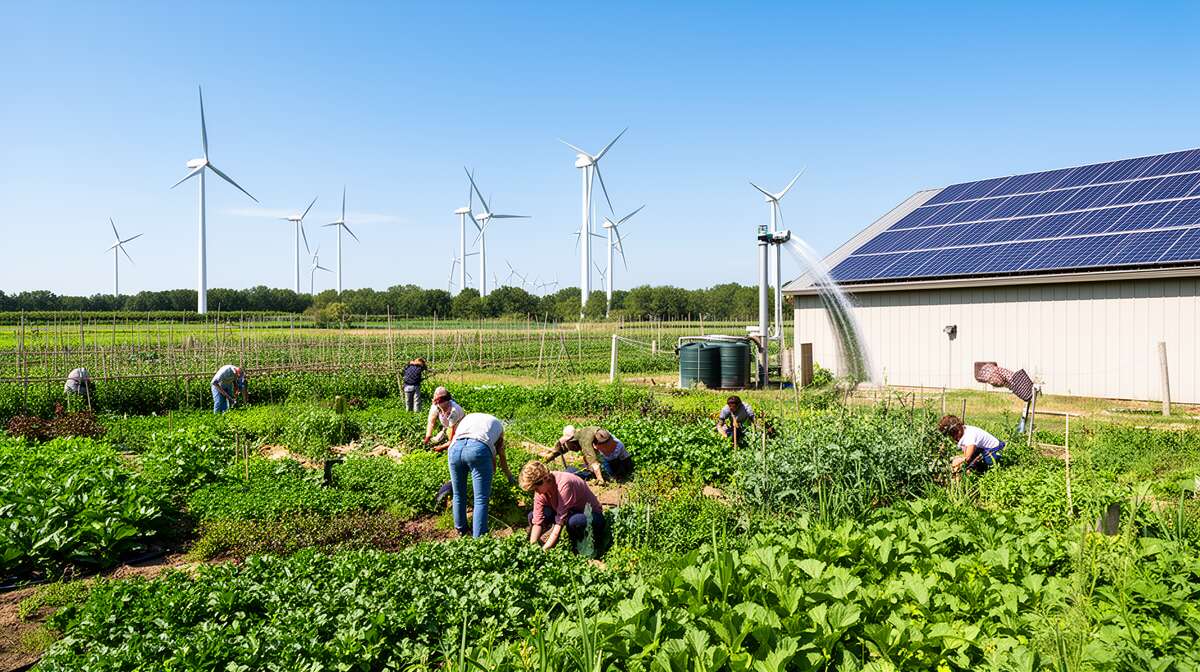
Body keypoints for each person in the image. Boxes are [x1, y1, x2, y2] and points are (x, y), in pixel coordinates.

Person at [519, 461, 610, 557]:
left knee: (574, 521)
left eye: (536, 488)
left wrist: (545, 550)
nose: (535, 492)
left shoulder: (564, 484)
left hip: (591, 516)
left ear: (544, 479)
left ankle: (582, 546)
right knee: (532, 516)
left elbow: (560, 522)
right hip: (569, 512)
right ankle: (550, 543)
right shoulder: (541, 489)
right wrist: (532, 547)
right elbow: (537, 521)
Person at [447, 412, 514, 538]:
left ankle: (461, 529)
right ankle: (479, 538)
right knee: (481, 499)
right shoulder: (498, 427)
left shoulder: (467, 419)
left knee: (458, 494)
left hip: (454, 449)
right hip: (478, 450)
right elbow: (500, 455)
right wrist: (510, 477)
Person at [541, 425, 618, 485]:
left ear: (570, 440)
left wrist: (600, 479)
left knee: (568, 473)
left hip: (608, 466)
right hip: (613, 461)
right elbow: (562, 449)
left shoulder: (584, 440)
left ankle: (608, 475)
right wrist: (545, 460)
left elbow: (593, 461)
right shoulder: (583, 433)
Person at [938, 415, 1005, 475]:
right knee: (968, 461)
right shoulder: (963, 430)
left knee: (986, 464)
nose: (953, 438)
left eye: (952, 435)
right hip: (982, 448)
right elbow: (965, 451)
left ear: (956, 432)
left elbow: (967, 457)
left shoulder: (970, 436)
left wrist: (957, 462)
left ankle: (990, 471)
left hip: (995, 449)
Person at [423, 386, 466, 452]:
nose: (438, 404)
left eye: (439, 402)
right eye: (436, 401)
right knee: (435, 440)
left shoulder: (454, 411)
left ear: (447, 400)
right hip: (447, 427)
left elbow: (452, 436)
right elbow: (431, 422)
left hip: (459, 429)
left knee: (454, 446)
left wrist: (442, 447)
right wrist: (428, 436)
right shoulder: (436, 406)